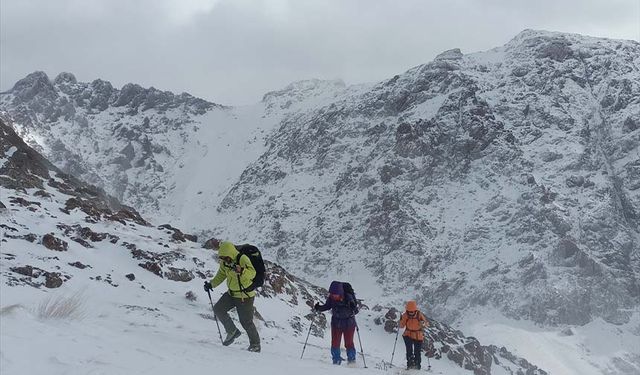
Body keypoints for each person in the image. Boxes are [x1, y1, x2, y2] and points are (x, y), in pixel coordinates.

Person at [204, 240, 261, 352]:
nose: (224, 260)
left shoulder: (242, 259)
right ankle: (232, 331)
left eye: (226, 257)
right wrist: (211, 284)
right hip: (231, 293)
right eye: (222, 258)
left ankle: (255, 345)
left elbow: (252, 274)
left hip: (245, 296)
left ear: (230, 253)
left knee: (246, 322)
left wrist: (242, 271)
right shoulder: (225, 262)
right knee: (218, 309)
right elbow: (221, 274)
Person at [313, 281, 358, 365]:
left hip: (349, 323)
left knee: (349, 343)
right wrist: (319, 308)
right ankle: (336, 360)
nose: (333, 296)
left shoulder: (348, 297)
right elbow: (327, 306)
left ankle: (351, 361)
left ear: (340, 293)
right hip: (336, 323)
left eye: (335, 294)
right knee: (335, 343)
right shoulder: (331, 298)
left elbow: (356, 311)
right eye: (331, 294)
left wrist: (353, 306)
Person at [399, 300, 429, 369]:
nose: (411, 313)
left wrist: (423, 324)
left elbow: (426, 324)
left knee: (417, 351)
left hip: (418, 335)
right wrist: (401, 320)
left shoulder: (419, 314)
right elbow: (401, 326)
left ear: (415, 310)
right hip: (408, 334)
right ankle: (409, 364)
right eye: (409, 311)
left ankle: (417, 365)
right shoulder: (405, 315)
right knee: (409, 350)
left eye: (412, 311)